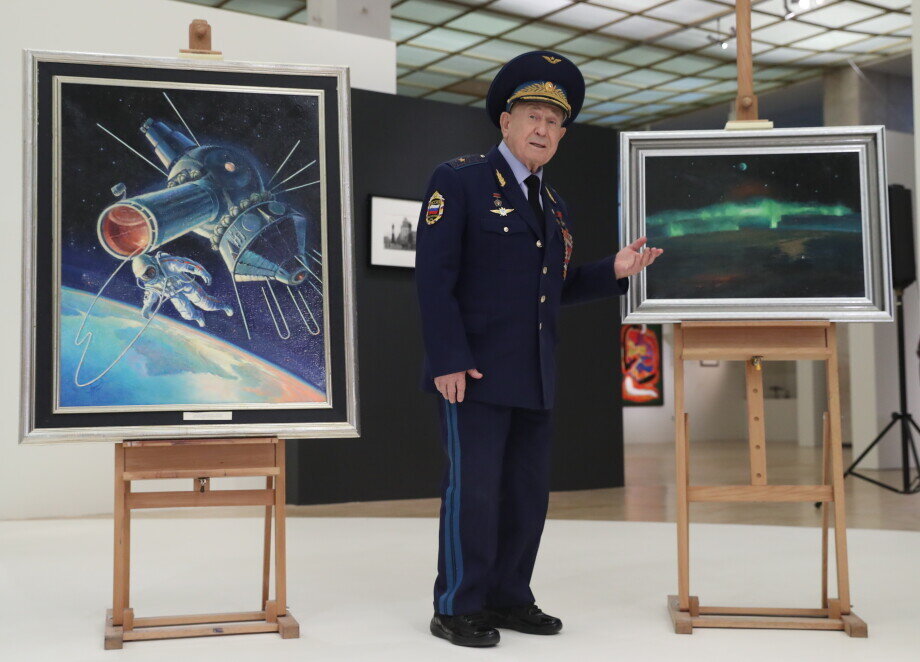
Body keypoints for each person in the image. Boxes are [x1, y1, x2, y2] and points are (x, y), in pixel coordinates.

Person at [414, 50, 663, 648]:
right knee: (473, 493)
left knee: (525, 496)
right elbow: (434, 275)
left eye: (555, 122)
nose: (543, 130)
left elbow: (556, 290)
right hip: (472, 373)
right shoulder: (460, 180)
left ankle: (508, 595)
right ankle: (456, 605)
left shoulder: (553, 206)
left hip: (534, 375)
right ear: (505, 119)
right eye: (533, 115)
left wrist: (616, 270)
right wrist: (447, 357)